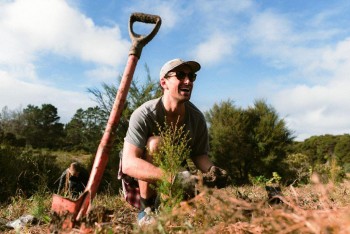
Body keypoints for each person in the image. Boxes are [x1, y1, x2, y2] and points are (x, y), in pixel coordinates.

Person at [118, 58, 228, 226]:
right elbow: (128, 164)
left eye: (191, 76)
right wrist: (174, 179)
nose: (188, 81)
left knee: (186, 213)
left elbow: (199, 155)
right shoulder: (144, 114)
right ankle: (147, 209)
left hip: (177, 171)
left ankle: (168, 207)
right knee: (156, 143)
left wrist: (213, 171)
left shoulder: (196, 118)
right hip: (142, 177)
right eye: (180, 75)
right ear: (164, 82)